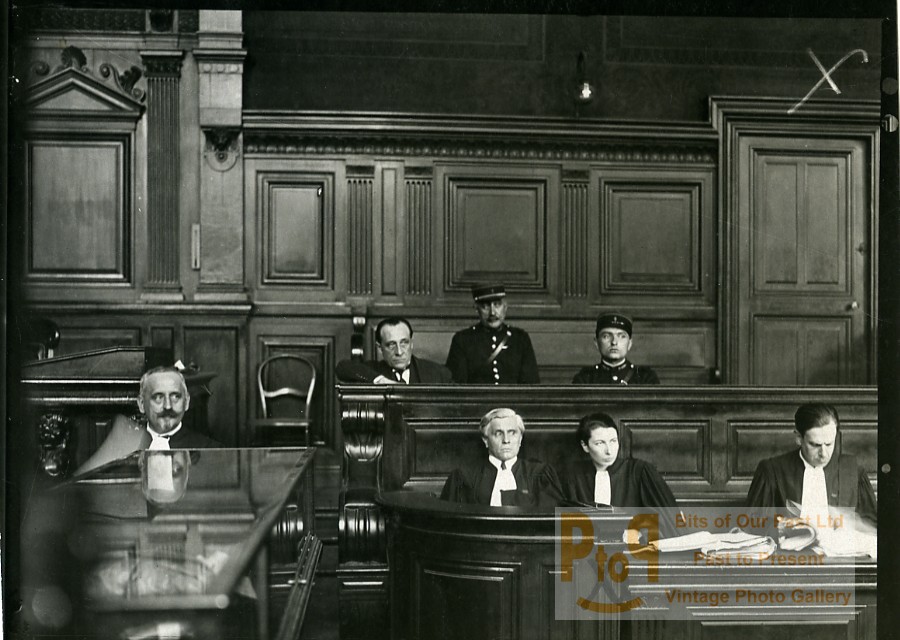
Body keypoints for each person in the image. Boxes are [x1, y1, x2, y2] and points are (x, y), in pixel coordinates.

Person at [746, 403, 877, 525]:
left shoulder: (854, 470)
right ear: (799, 438)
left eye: (829, 444)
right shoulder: (772, 471)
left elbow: (871, 524)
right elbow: (753, 525)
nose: (824, 454)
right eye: (815, 445)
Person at [75, 366, 221, 475]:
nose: (168, 406)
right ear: (141, 404)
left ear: (187, 402)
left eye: (176, 396)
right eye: (158, 397)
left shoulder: (211, 449)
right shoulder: (122, 442)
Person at [440, 408, 562, 507]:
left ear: (520, 439)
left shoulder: (540, 474)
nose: (506, 440)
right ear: (486, 440)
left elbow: (558, 526)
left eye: (512, 433)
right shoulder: (464, 477)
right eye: (498, 433)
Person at [559, 411, 677, 510]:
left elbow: (669, 522)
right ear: (585, 446)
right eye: (600, 443)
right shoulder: (572, 475)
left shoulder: (640, 471)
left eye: (613, 441)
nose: (609, 451)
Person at [445, 284, 540, 384]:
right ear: (476, 309)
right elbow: (457, 388)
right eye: (485, 306)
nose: (492, 313)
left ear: (505, 307)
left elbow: (531, 385)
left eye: (497, 304)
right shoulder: (462, 340)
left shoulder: (520, 339)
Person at [336, 317, 452, 384]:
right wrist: (379, 380)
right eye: (391, 345)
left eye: (404, 343)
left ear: (411, 343)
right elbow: (343, 368)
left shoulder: (438, 373)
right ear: (379, 347)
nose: (399, 352)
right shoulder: (372, 370)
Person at [572, 312, 659, 385]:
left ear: (629, 343)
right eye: (606, 336)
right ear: (596, 342)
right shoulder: (585, 378)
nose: (614, 342)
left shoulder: (645, 378)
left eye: (622, 336)